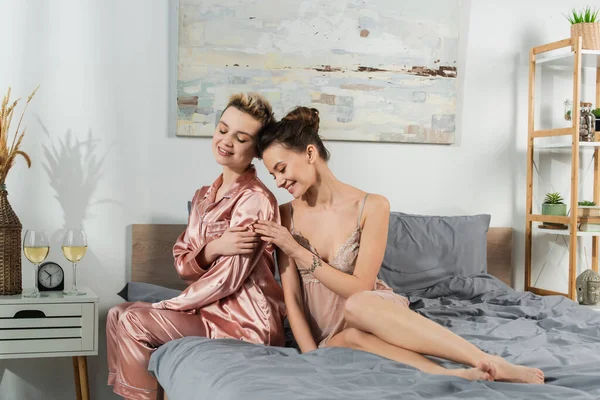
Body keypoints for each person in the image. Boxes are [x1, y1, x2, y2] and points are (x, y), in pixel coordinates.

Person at [253, 106, 544, 384]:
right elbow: (291, 297)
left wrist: (298, 252)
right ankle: (450, 375)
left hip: (370, 309)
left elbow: (360, 288)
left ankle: (486, 359)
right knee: (351, 338)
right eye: (272, 175)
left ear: (310, 153)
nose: (278, 181)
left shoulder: (372, 206)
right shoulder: (285, 216)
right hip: (333, 332)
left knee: (358, 304)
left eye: (281, 168)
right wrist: (311, 356)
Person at [106, 93, 286, 400]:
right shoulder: (204, 195)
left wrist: (167, 305)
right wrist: (213, 247)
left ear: (256, 150)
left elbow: (228, 278)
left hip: (243, 325)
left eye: (241, 138)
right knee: (117, 313)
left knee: (134, 318)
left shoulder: (255, 200)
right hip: (207, 313)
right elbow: (182, 264)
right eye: (223, 129)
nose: (226, 141)